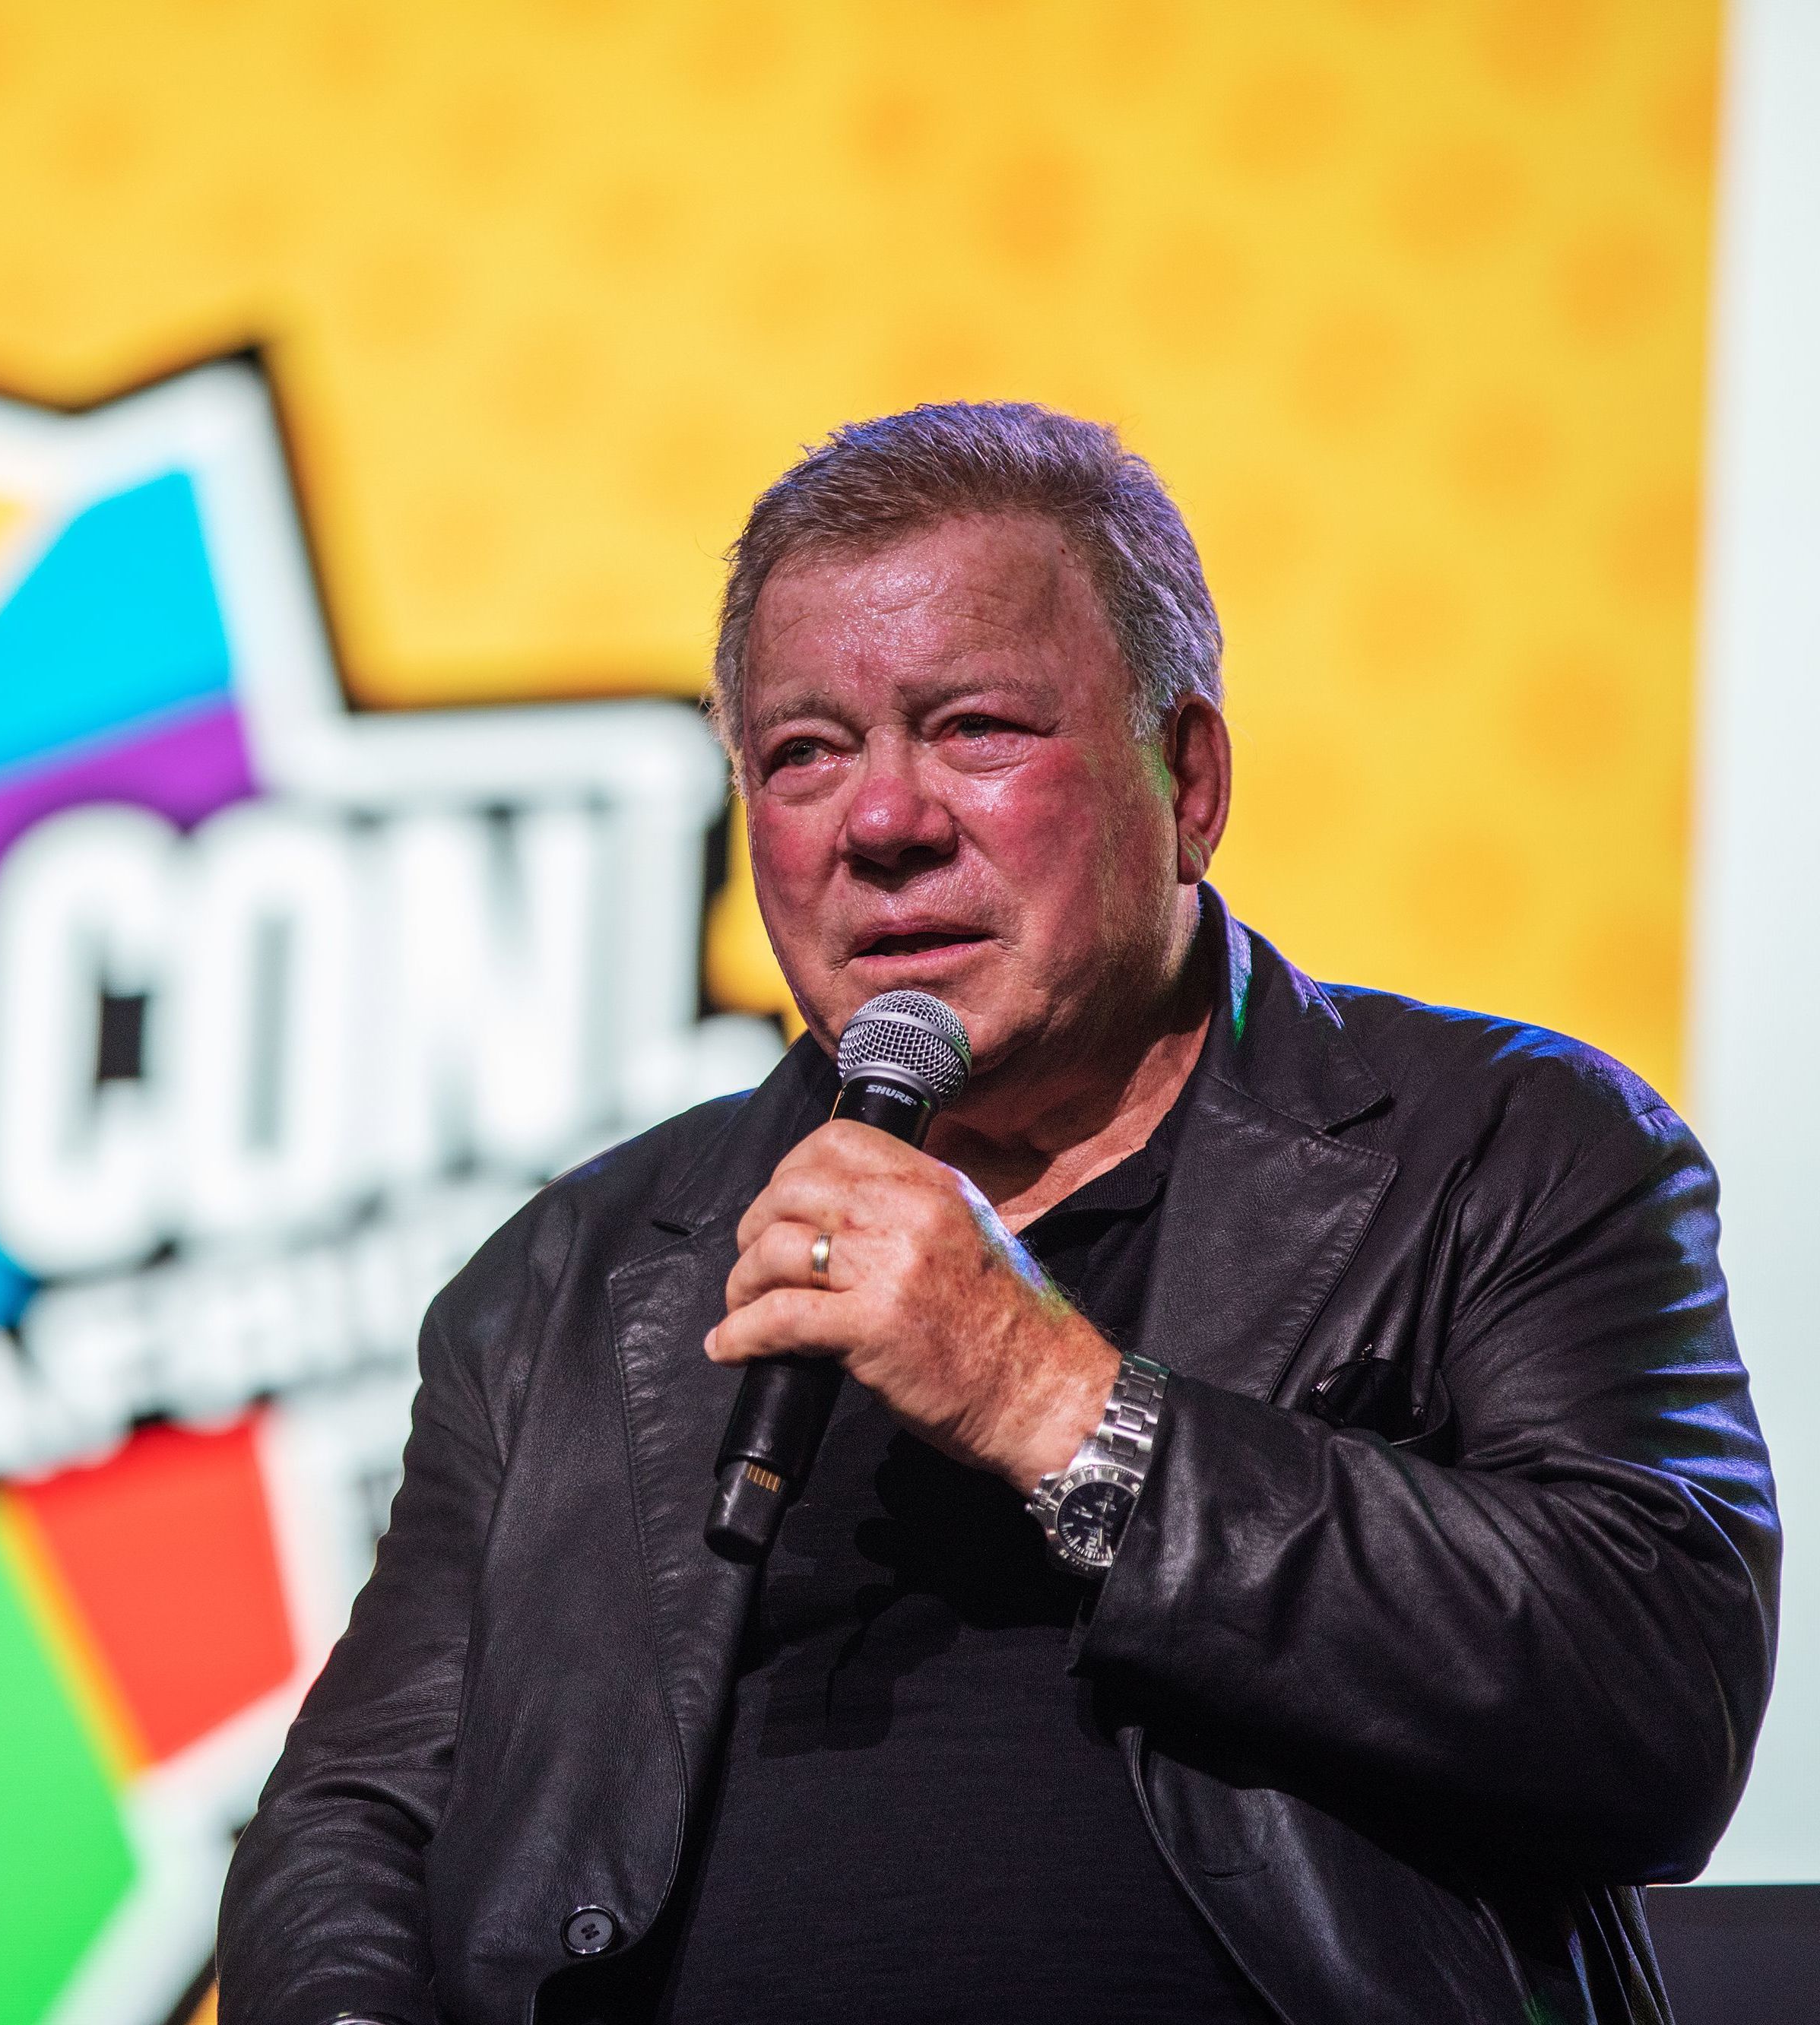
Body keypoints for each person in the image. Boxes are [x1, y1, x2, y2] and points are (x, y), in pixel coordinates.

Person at [215, 404, 1779, 2024]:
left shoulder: (1503, 1148)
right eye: (804, 755)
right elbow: (355, 1821)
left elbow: (1657, 1705)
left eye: (973, 729)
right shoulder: (565, 1281)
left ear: (1189, 780)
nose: (880, 824)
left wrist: (1049, 1399)